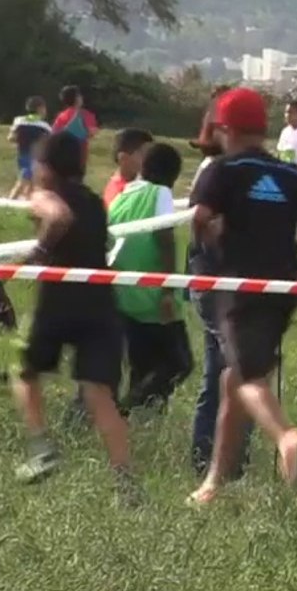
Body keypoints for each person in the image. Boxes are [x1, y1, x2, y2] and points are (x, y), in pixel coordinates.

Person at [189, 87, 297, 505]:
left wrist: (214, 241)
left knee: (249, 379)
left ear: (225, 128)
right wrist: (291, 249)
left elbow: (200, 218)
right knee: (234, 377)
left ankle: (286, 436)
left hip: (240, 286)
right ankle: (214, 483)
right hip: (285, 286)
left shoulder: (223, 170)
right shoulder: (290, 174)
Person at [12, 133, 142, 505]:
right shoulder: (93, 200)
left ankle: (41, 448)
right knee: (100, 395)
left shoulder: (46, 194)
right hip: (100, 304)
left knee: (24, 371)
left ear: (45, 167)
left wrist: (37, 253)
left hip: (57, 301)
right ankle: (125, 483)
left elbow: (58, 217)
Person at [188, 93, 252, 478]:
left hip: (223, 281)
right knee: (231, 372)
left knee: (222, 372)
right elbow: (206, 227)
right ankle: (218, 462)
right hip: (216, 282)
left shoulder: (225, 168)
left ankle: (216, 459)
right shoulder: (217, 170)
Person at [108, 143, 193, 412]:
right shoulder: (161, 193)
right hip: (153, 293)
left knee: (142, 365)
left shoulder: (122, 195)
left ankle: (142, 417)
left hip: (123, 291)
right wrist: (168, 289)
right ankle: (126, 407)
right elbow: (164, 238)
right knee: (179, 363)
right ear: (173, 175)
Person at [8, 97, 52, 199]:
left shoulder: (19, 121)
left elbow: (11, 137)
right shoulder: (44, 126)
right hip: (36, 157)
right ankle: (11, 200)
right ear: (40, 109)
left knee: (28, 180)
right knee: (25, 180)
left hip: (22, 154)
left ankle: (25, 202)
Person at [102, 128, 155, 207]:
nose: (150, 158)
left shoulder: (139, 182)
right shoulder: (121, 193)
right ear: (123, 158)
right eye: (143, 153)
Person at [52, 86, 99, 170]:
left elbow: (54, 132)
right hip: (80, 152)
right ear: (77, 98)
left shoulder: (61, 115)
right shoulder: (85, 114)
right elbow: (92, 132)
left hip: (63, 152)